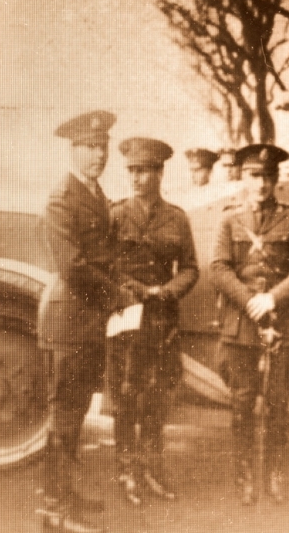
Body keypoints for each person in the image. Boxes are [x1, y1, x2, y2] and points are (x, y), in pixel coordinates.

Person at [37, 110, 135, 533]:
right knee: (62, 420)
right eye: (90, 147)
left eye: (103, 146)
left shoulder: (94, 193)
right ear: (73, 149)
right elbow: (74, 267)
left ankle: (66, 495)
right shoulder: (62, 198)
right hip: (71, 322)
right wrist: (118, 297)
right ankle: (53, 512)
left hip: (90, 321)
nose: (98, 154)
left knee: (75, 417)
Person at [210, 144, 289, 505]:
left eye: (268, 177)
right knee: (241, 403)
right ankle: (243, 473)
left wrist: (272, 298)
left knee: (277, 403)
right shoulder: (229, 219)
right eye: (255, 176)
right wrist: (249, 301)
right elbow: (219, 268)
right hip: (240, 324)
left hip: (282, 321)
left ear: (276, 180)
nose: (261, 184)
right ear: (243, 177)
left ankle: (273, 471)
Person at [107, 137, 199, 506]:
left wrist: (167, 291)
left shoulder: (176, 218)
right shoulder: (114, 215)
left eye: (145, 171)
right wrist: (131, 288)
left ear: (160, 173)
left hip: (162, 319)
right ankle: (127, 469)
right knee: (126, 394)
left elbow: (190, 268)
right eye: (132, 171)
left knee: (157, 396)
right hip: (127, 317)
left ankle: (152, 468)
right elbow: (105, 267)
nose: (137, 178)